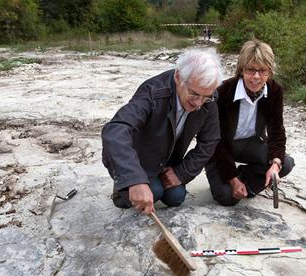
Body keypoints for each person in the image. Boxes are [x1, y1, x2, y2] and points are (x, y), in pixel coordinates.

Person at [102, 48, 223, 215]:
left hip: (169, 161)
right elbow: (115, 130)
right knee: (155, 192)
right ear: (178, 77)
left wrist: (182, 172)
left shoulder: (208, 96)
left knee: (176, 197)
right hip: (140, 162)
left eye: (206, 97)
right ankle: (121, 188)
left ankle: (152, 182)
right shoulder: (153, 92)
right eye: (194, 94)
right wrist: (134, 179)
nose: (199, 104)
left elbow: (211, 140)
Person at [205, 39, 294, 206]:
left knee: (285, 163)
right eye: (250, 70)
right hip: (221, 149)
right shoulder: (222, 92)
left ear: (270, 71)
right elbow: (215, 140)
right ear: (241, 70)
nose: (256, 77)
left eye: (262, 71)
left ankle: (245, 175)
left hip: (250, 144)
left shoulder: (275, 91)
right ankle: (227, 175)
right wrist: (232, 179)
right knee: (226, 197)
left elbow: (277, 131)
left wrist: (275, 164)